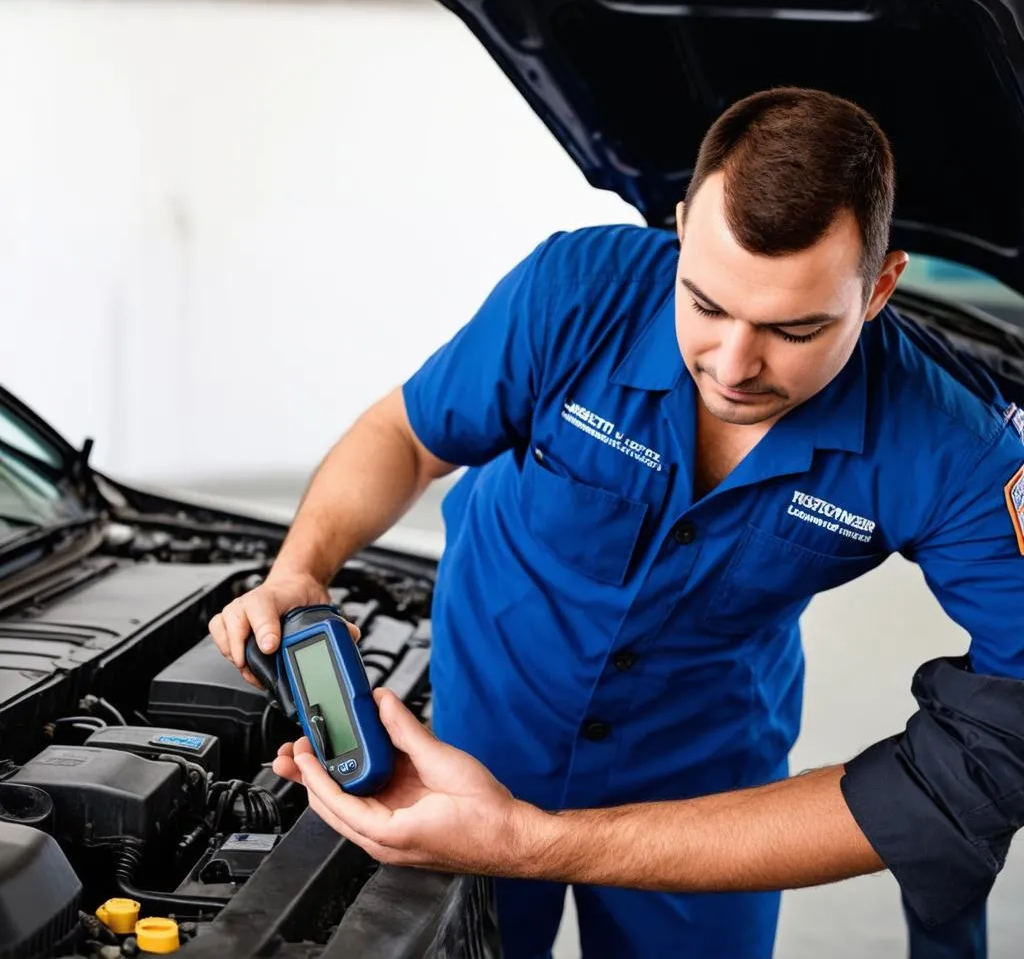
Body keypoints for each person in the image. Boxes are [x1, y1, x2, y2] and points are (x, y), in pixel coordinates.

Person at [209, 87, 1024, 958]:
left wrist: (535, 838)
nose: (734, 364)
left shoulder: (959, 449)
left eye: (794, 328)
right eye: (706, 304)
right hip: (478, 727)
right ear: (679, 230)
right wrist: (302, 566)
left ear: (880, 289)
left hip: (704, 781)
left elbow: (996, 739)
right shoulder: (575, 294)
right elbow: (408, 437)